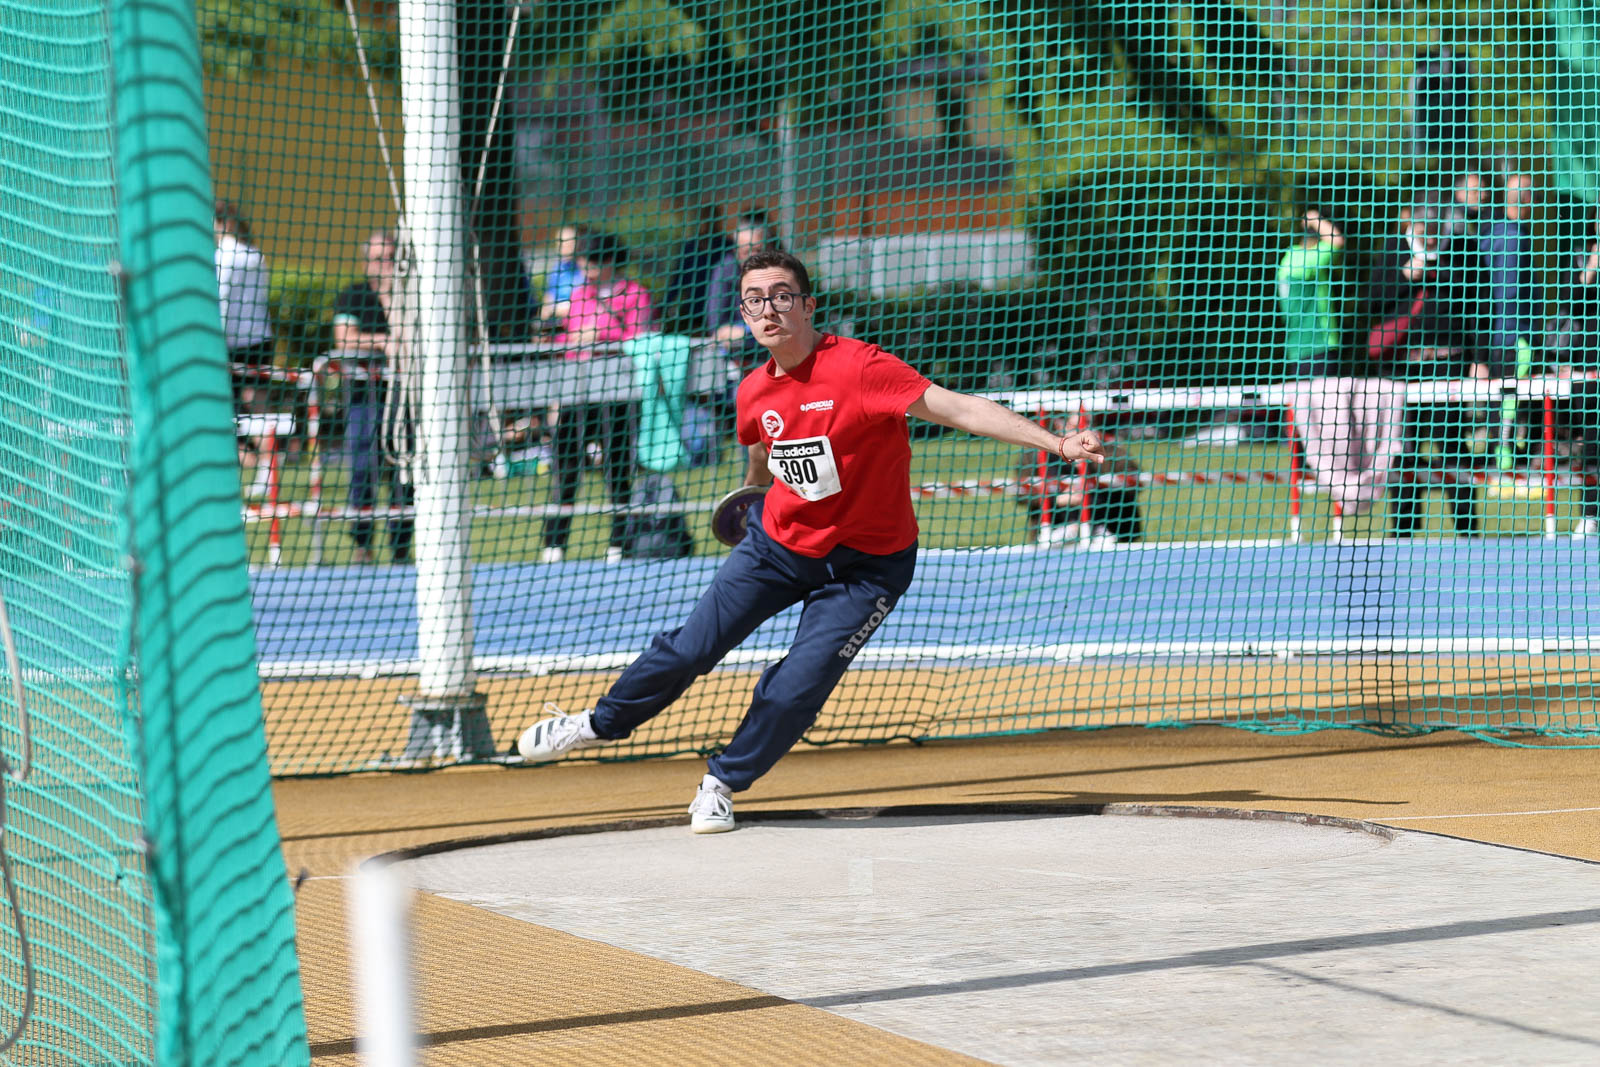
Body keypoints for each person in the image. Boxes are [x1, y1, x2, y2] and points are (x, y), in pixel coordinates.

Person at [515, 248, 1105, 832]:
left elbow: (958, 409)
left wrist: (1057, 444)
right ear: (743, 314)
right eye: (753, 300)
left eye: (780, 296)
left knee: (799, 686)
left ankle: (720, 784)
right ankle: (596, 724)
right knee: (691, 649)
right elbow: (759, 445)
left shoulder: (861, 367)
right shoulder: (752, 389)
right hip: (775, 546)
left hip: (868, 567)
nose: (767, 309)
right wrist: (750, 494)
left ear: (806, 306)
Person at [539, 231, 654, 563]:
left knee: (617, 469)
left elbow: (639, 339)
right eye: (582, 260)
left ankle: (619, 542)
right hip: (577, 392)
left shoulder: (635, 294)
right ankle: (554, 543)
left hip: (617, 394)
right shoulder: (580, 295)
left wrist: (602, 335)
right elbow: (568, 342)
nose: (585, 267)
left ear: (609, 262)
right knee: (564, 466)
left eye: (590, 260)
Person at [332, 230, 414, 564]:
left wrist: (393, 297)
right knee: (363, 467)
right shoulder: (354, 295)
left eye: (392, 258)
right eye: (379, 259)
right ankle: (362, 544)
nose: (386, 265)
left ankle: (401, 546)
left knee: (404, 471)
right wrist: (381, 342)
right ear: (367, 262)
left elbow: (408, 338)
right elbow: (343, 339)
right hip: (364, 396)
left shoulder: (411, 297)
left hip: (405, 399)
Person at [214, 200, 276, 492]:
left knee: (230, 407)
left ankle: (253, 466)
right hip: (260, 338)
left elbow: (222, 301)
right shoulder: (255, 255)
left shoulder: (224, 256)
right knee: (257, 405)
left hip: (232, 343)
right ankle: (264, 469)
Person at [1275, 207, 1345, 380]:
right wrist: (1315, 219)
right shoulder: (1308, 259)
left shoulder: (1289, 259)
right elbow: (1336, 241)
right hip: (1318, 346)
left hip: (1297, 349)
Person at [538, 223, 588, 327]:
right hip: (557, 323)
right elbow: (549, 296)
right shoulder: (558, 269)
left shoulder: (586, 268)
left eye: (568, 244)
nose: (563, 248)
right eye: (560, 244)